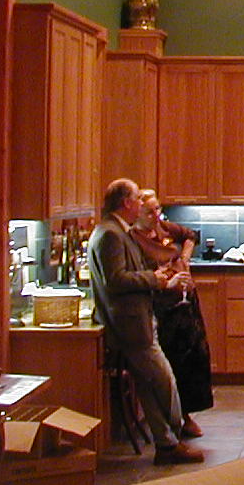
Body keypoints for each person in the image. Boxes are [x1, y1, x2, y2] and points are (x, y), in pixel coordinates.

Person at [88, 178, 204, 465]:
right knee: (164, 380)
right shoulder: (110, 234)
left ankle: (166, 445)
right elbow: (115, 280)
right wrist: (156, 279)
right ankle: (175, 432)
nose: (141, 204)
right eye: (138, 199)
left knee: (148, 385)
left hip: (134, 319)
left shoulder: (117, 230)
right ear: (126, 202)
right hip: (129, 323)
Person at [129, 189, 213, 434]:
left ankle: (187, 415)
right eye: (149, 212)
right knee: (172, 362)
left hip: (185, 300)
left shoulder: (164, 228)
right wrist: (166, 278)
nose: (156, 215)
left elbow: (189, 235)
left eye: (158, 209)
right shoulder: (133, 239)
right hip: (161, 306)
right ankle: (175, 419)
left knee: (195, 358)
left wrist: (184, 261)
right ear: (137, 213)